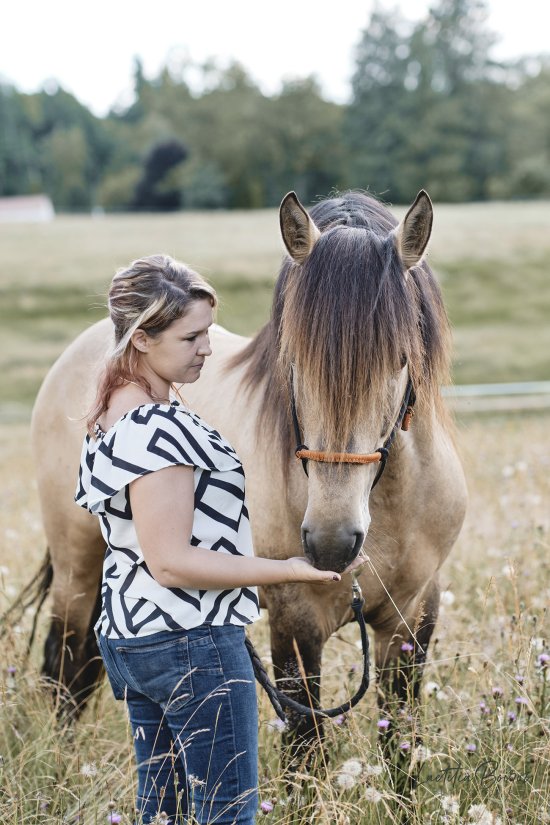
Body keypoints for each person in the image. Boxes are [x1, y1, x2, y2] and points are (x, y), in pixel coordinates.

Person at [76, 254, 363, 825]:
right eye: (192, 337)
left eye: (208, 331)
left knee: (164, 813)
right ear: (140, 339)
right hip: (191, 644)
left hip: (136, 638)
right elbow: (173, 563)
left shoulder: (114, 409)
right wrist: (289, 570)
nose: (209, 347)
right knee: (226, 812)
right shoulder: (156, 428)